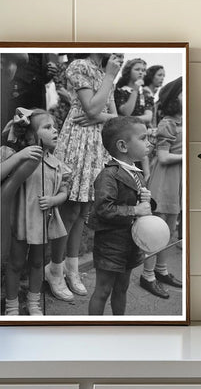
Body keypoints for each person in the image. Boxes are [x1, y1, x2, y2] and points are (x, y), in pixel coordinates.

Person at [53, 53, 122, 297]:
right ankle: (54, 269)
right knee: (70, 210)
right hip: (78, 138)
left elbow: (113, 116)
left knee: (84, 211)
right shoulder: (80, 65)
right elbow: (91, 107)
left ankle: (71, 269)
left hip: (96, 143)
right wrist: (111, 76)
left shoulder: (104, 74)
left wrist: (100, 115)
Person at [2, 108, 71, 316]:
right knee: (15, 263)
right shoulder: (15, 156)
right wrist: (21, 155)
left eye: (55, 127)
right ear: (32, 135)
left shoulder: (57, 165)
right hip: (18, 222)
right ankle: (11, 306)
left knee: (38, 263)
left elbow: (64, 193)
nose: (55, 131)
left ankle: (34, 304)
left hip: (42, 222)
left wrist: (53, 200)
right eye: (47, 127)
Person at [88, 116, 153, 315]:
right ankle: (93, 331)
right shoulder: (108, 175)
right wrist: (135, 210)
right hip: (110, 244)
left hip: (131, 242)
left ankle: (119, 324)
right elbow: (103, 209)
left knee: (122, 288)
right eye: (143, 138)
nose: (148, 143)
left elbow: (139, 203)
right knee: (103, 290)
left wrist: (147, 200)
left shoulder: (137, 173)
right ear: (123, 146)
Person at [144, 77, 183, 295]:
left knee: (170, 229)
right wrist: (187, 154)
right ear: (173, 99)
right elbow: (163, 157)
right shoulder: (167, 123)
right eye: (182, 92)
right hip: (164, 180)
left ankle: (162, 270)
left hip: (175, 181)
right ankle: (147, 275)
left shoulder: (181, 122)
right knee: (157, 231)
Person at [114, 58, 154, 180]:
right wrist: (135, 90)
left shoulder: (146, 94)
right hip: (125, 133)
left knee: (143, 158)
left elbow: (148, 117)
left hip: (141, 132)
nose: (141, 72)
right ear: (128, 71)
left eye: (143, 70)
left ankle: (146, 179)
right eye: (137, 69)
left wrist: (128, 119)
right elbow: (126, 111)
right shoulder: (120, 90)